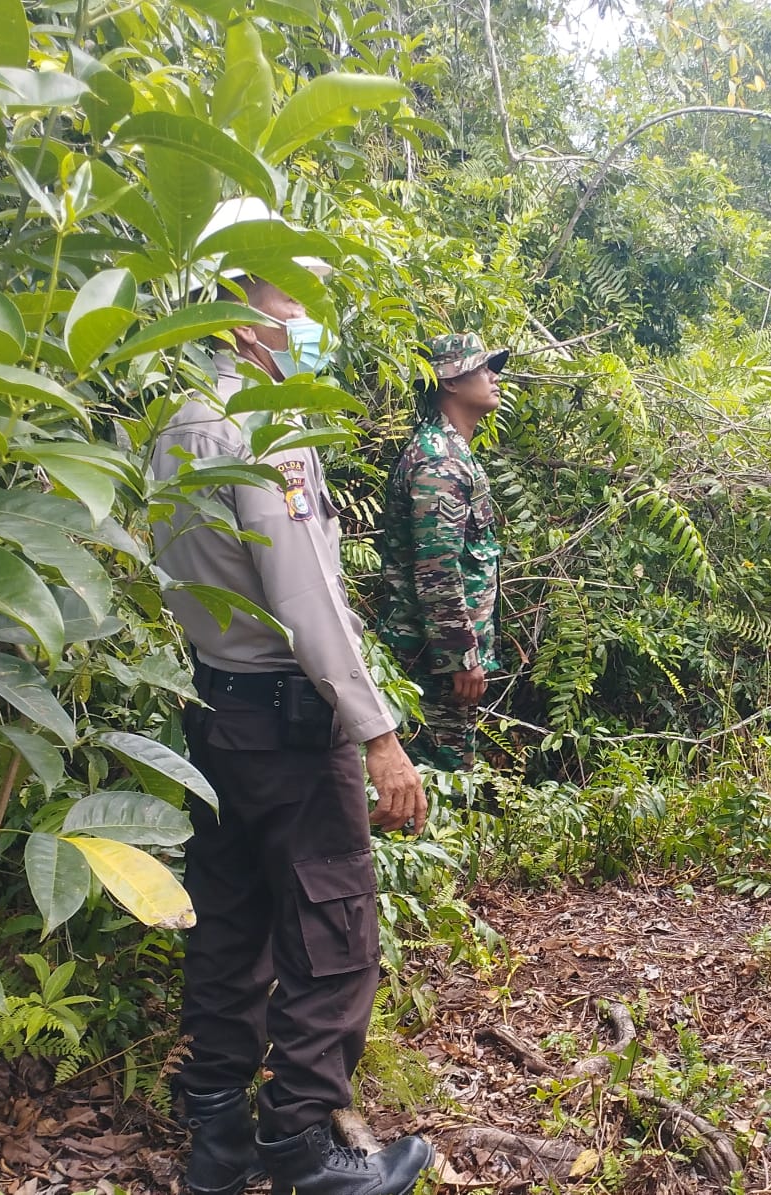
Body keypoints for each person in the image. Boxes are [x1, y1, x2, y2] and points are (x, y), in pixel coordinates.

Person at [149, 197, 433, 1195]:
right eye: (289, 300)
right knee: (331, 929)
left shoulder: (180, 423)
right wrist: (378, 733)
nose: (304, 319)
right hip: (285, 720)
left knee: (228, 922)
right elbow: (307, 602)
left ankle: (216, 1136)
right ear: (240, 314)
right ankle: (304, 1144)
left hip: (210, 713)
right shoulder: (259, 430)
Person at [379, 332, 508, 774]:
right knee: (437, 778)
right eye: (482, 367)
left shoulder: (453, 452)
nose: (493, 377)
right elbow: (436, 571)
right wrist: (460, 658)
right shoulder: (439, 461)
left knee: (441, 776)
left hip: (439, 658)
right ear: (450, 382)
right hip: (430, 661)